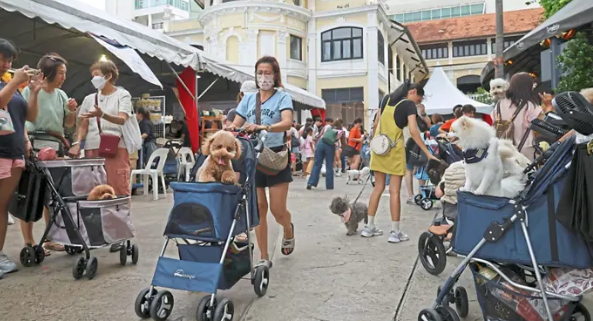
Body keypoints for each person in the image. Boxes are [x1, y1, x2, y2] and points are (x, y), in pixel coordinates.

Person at [230, 56, 295, 267]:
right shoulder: (248, 99)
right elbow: (235, 124)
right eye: (260, 73)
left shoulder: (282, 97)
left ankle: (288, 228)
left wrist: (265, 128)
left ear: (275, 75)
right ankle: (263, 257)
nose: (264, 77)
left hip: (275, 158)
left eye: (268, 73)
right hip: (253, 158)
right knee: (258, 209)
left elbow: (287, 123)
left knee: (278, 210)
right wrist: (228, 129)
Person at [68, 59, 132, 252]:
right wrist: (78, 142)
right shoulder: (89, 99)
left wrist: (102, 114)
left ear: (108, 76)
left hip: (115, 146)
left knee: (118, 188)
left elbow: (122, 119)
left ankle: (120, 233)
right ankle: (96, 232)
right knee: (94, 190)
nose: (94, 79)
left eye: (97, 75)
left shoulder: (123, 95)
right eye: (93, 75)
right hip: (92, 149)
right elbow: (83, 125)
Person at [365, 81, 437, 243]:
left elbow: (376, 124)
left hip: (380, 148)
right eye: (418, 99)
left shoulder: (385, 100)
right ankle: (395, 232)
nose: (417, 103)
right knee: (395, 191)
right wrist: (427, 153)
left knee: (378, 188)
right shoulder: (408, 105)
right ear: (412, 92)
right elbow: (413, 130)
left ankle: (369, 227)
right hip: (394, 151)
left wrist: (373, 143)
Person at [20, 53, 78, 255]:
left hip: (56, 145)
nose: (63, 77)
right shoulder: (30, 91)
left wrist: (71, 111)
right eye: (60, 73)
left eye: (65, 73)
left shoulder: (62, 95)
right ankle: (29, 242)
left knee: (54, 195)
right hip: (34, 145)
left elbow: (68, 125)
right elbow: (26, 117)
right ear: (48, 73)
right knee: (30, 193)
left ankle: (51, 238)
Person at [0, 38, 44, 277]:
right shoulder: (10, 83)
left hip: (14, 153)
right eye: (2, 58)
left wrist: (34, 92)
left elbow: (30, 116)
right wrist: (16, 81)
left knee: (1, 206)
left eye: (9, 59)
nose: (6, 63)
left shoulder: (10, 84)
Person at [491, 72, 542, 160]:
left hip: (504, 150)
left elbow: (493, 123)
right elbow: (540, 128)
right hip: (525, 151)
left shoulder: (499, 104)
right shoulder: (531, 106)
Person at [307, 118, 346, 190]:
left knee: (317, 164)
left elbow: (319, 135)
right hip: (330, 146)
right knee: (329, 165)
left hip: (321, 144)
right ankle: (329, 186)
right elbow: (340, 142)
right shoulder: (341, 131)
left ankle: (311, 182)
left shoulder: (327, 127)